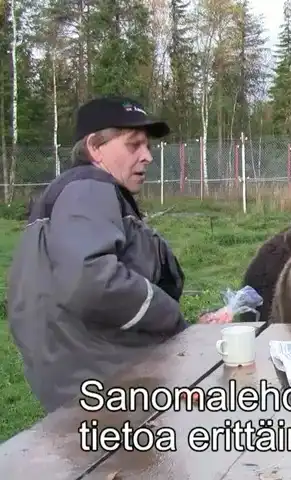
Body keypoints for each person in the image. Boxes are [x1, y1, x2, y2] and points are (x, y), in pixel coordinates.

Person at [6, 96, 188, 413]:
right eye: (134, 145)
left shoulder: (80, 192)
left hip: (88, 380)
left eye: (147, 146)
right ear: (95, 147)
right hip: (108, 386)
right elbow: (91, 280)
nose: (147, 156)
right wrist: (168, 315)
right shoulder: (88, 188)